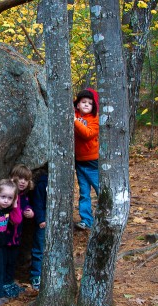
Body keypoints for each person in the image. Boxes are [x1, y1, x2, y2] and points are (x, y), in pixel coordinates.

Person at [3, 164, 34, 298]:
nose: (22, 182)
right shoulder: (8, 196)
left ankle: (9, 282)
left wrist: (30, 212)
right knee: (3, 261)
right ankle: (3, 284)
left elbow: (26, 207)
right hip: (4, 237)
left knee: (12, 261)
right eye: (20, 178)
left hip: (16, 238)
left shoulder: (24, 197)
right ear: (12, 178)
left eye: (26, 179)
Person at [73, 88, 100, 230]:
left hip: (92, 161)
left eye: (89, 103)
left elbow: (87, 134)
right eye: (83, 102)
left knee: (99, 188)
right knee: (84, 192)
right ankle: (86, 220)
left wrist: (75, 121)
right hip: (79, 161)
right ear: (77, 105)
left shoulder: (94, 119)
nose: (86, 105)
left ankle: (107, 215)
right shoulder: (76, 113)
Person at [29, 169, 47, 291]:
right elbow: (37, 203)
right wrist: (40, 219)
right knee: (39, 249)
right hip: (43, 223)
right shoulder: (42, 184)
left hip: (56, 223)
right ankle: (36, 275)